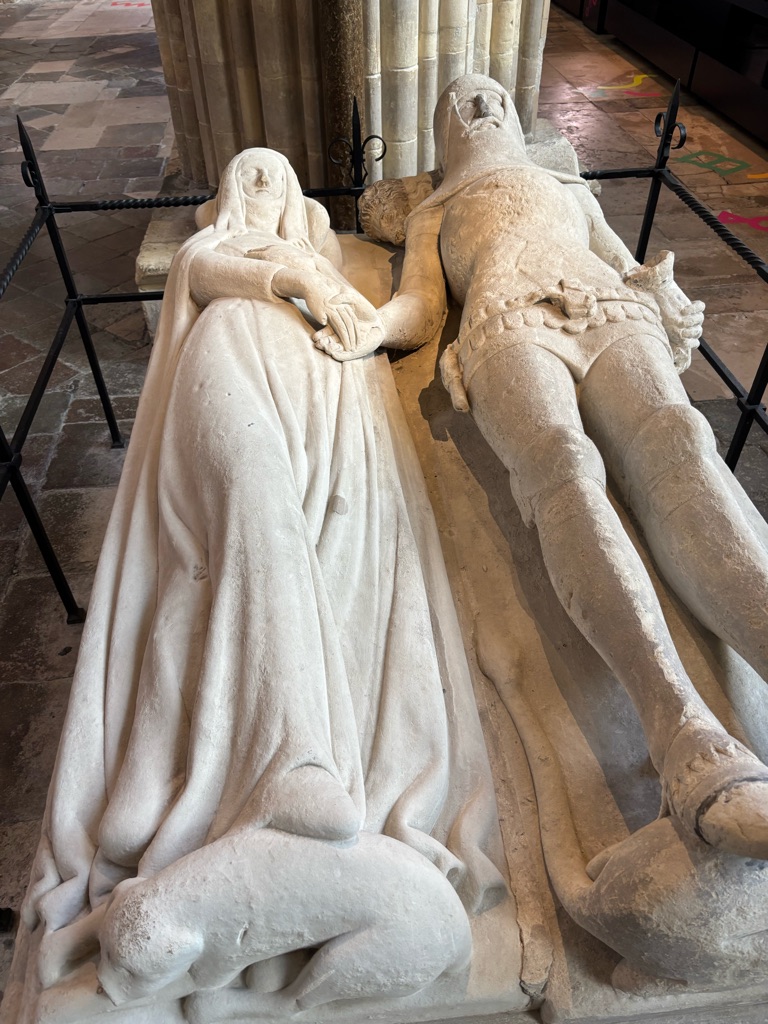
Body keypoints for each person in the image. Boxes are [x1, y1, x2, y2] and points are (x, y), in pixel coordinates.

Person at [5, 148, 506, 1021]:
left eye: (280, 175)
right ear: (231, 196)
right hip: (232, 366)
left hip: (326, 401)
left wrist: (368, 313)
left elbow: (408, 319)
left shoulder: (329, 269)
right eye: (252, 173)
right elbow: (211, 269)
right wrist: (295, 282)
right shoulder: (221, 255)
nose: (266, 182)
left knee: (332, 563)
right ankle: (295, 761)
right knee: (256, 512)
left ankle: (299, 771)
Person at [316, 75, 768, 862]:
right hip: (503, 325)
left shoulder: (567, 188)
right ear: (444, 134)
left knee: (679, 444)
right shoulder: (433, 211)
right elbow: (424, 306)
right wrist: (373, 325)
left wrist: (667, 300)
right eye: (462, 101)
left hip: (609, 309)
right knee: (561, 468)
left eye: (491, 94)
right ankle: (680, 729)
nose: (482, 104)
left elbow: (627, 267)